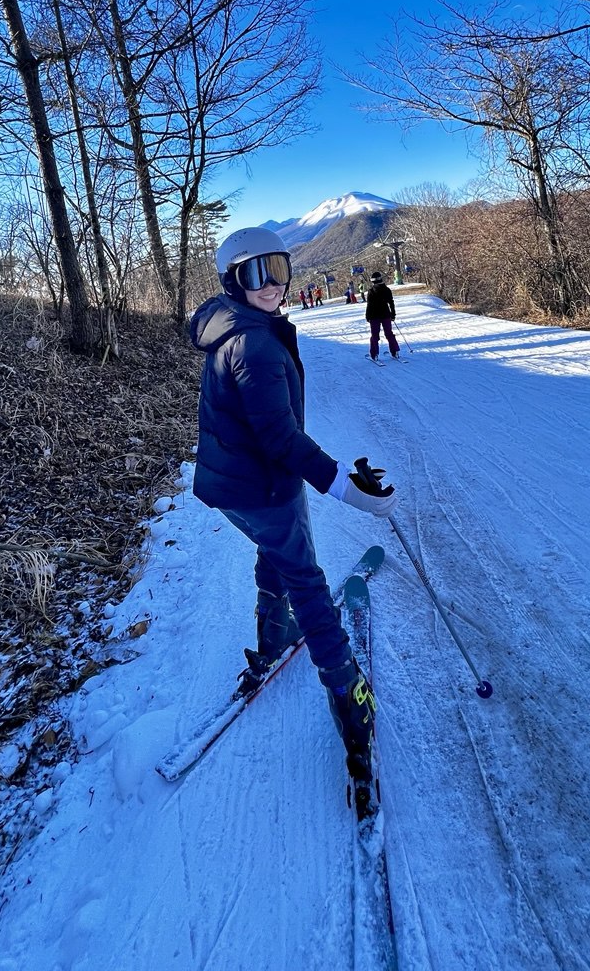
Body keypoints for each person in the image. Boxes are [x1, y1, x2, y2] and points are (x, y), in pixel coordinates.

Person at [189, 226, 398, 776]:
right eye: (257, 274)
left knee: (274, 550)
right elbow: (281, 439)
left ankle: (273, 631)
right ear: (233, 280)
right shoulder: (254, 344)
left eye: (279, 269)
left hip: (232, 487)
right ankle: (348, 696)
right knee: (306, 579)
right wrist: (346, 488)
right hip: (263, 485)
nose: (273, 285)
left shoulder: (233, 327)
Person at [365, 270, 400, 361]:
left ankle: (374, 354)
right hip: (386, 314)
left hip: (374, 316)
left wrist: (367, 316)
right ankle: (395, 351)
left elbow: (369, 305)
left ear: (372, 281)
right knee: (389, 333)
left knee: (375, 335)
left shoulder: (371, 291)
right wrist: (393, 314)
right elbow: (391, 303)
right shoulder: (387, 290)